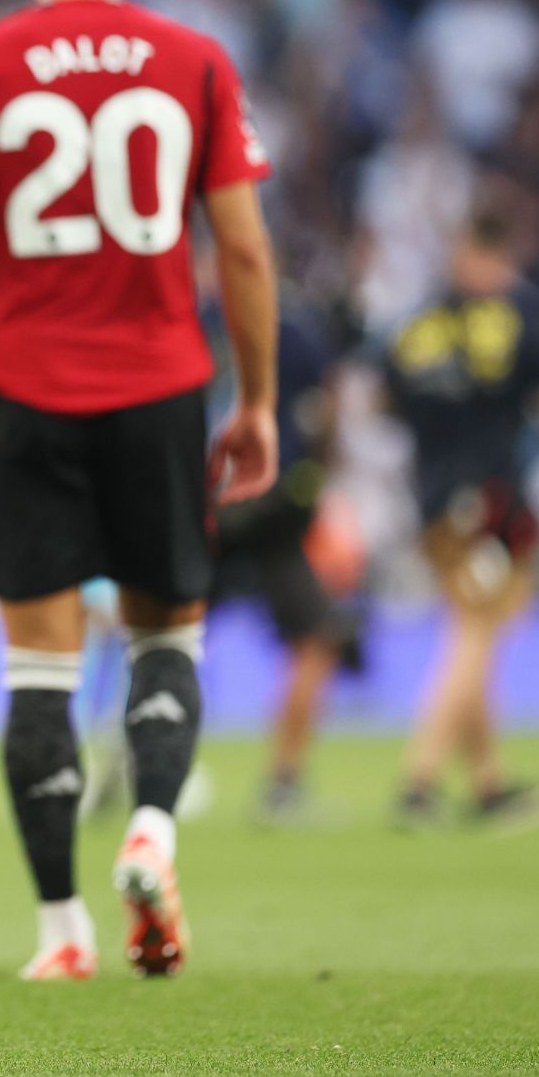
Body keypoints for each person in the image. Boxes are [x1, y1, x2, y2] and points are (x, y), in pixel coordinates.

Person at [0, 0, 278, 983]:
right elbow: (244, 248)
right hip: (159, 388)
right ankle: (151, 829)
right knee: (166, 636)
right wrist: (252, 398)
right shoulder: (194, 59)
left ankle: (61, 930)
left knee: (40, 670)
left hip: (26, 393)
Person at [385, 210, 539, 827]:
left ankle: (489, 783)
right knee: (477, 632)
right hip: (493, 501)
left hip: (433, 499)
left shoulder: (418, 324)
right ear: (502, 254)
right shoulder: (519, 314)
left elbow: (385, 400)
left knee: (475, 631)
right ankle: (419, 780)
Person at [209, 299, 365, 823]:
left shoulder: (186, 315)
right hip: (268, 508)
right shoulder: (294, 327)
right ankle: (283, 783)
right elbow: (324, 413)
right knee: (317, 637)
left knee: (161, 635)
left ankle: (136, 767)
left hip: (199, 504)